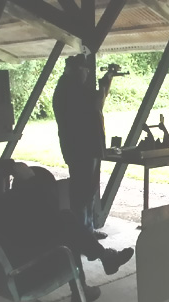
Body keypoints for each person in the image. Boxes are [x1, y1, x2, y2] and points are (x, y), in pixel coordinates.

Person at [0, 154, 134, 302]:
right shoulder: (6, 205)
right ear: (0, 178)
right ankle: (95, 272)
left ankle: (103, 261)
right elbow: (50, 209)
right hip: (22, 275)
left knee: (63, 226)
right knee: (65, 225)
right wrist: (29, 178)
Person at [52, 54, 113, 240]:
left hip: (79, 148)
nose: (87, 74)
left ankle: (86, 232)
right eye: (85, 70)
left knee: (85, 191)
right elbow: (97, 104)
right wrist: (106, 83)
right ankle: (82, 235)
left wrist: (105, 84)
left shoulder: (67, 87)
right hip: (83, 149)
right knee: (83, 193)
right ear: (78, 70)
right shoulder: (73, 89)